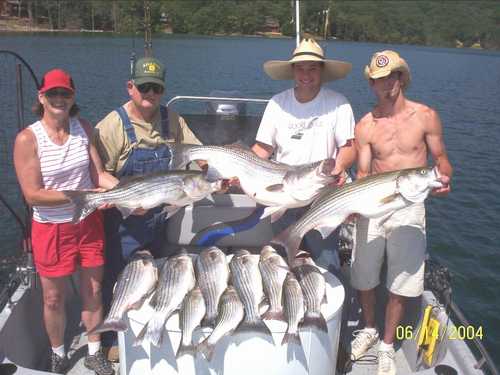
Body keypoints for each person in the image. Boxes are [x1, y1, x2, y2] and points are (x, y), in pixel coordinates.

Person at [350, 50, 453, 374]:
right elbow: (363, 173)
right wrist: (354, 203)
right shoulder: (365, 125)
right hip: (373, 204)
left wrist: (445, 177)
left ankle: (386, 343)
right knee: (364, 272)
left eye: (391, 76)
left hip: (410, 207)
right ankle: (368, 327)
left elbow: (442, 160)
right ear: (371, 83)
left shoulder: (426, 116)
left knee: (403, 279)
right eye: (378, 80)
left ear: (401, 78)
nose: (385, 84)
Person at [93, 56, 202, 358]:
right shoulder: (113, 124)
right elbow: (98, 173)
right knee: (118, 277)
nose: (150, 94)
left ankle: (144, 329)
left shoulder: (173, 119)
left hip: (159, 216)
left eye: (156, 88)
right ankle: (111, 340)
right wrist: (129, 197)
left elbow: (193, 152)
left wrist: (209, 164)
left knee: (152, 277)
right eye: (143, 87)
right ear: (130, 87)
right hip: (125, 218)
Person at [13, 69, 117, 375]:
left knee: (94, 290)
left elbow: (99, 175)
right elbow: (33, 195)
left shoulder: (83, 127)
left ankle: (95, 351)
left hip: (89, 222)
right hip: (51, 227)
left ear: (73, 98)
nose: (60, 99)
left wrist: (126, 193)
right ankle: (58, 352)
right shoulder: (27, 139)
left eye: (66, 93)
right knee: (53, 297)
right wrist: (85, 195)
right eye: (53, 93)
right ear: (41, 97)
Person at [251, 38, 357, 271]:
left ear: (322, 71)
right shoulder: (277, 103)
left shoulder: (338, 104)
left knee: (326, 264)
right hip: (283, 196)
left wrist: (338, 168)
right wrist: (239, 168)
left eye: (312, 68)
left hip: (322, 197)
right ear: (292, 71)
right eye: (300, 68)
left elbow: (349, 147)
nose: (306, 74)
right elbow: (263, 149)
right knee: (280, 267)